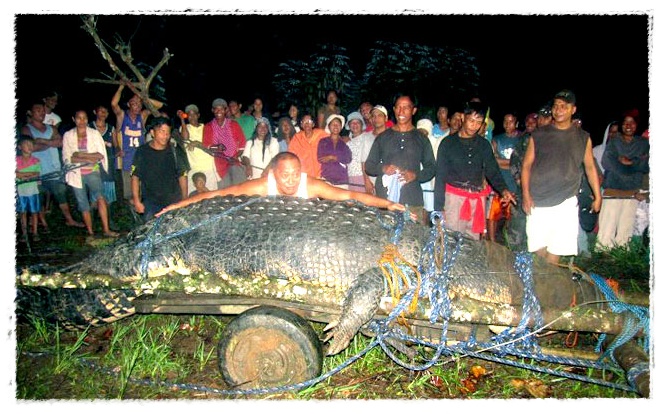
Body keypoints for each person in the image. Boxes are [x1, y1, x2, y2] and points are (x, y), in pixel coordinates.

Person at [156, 152, 409, 218]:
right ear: (273, 174)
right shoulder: (262, 185)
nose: (290, 180)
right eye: (285, 175)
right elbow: (221, 193)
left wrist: (387, 204)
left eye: (295, 174)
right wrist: (178, 205)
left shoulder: (309, 185)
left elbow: (350, 196)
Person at [521, 90, 601, 265]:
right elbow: (526, 165)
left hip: (566, 201)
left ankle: (548, 285)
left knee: (558, 247)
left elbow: (590, 167)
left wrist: (598, 195)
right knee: (537, 246)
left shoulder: (582, 137)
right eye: (556, 106)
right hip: (538, 199)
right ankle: (544, 279)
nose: (559, 110)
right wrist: (526, 195)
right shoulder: (540, 134)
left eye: (564, 106)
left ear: (573, 110)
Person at [434, 102, 516, 240]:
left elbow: (492, 170)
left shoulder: (484, 145)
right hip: (454, 200)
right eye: (471, 120)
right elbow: (440, 176)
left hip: (476, 200)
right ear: (462, 117)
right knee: (451, 240)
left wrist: (504, 190)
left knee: (472, 243)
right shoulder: (447, 143)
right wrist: (439, 207)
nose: (474, 125)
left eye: (478, 122)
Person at [364, 93, 436, 224]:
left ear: (413, 110)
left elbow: (431, 168)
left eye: (406, 107)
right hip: (385, 201)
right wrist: (383, 168)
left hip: (412, 201)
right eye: (398, 107)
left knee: (411, 242)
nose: (401, 111)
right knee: (385, 242)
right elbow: (369, 166)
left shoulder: (421, 139)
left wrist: (415, 175)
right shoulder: (383, 137)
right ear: (394, 109)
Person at [21, 102, 84, 230]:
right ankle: (39, 225)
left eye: (43, 110)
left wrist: (42, 141)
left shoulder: (52, 128)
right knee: (39, 198)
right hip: (36, 171)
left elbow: (60, 143)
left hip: (54, 169)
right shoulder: (26, 129)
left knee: (61, 193)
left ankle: (69, 220)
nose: (41, 112)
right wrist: (51, 143)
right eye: (38, 110)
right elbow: (31, 147)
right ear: (31, 113)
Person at [62, 110, 119, 238]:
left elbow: (100, 155)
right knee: (83, 203)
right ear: (74, 119)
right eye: (79, 118)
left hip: (93, 171)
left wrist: (80, 155)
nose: (82, 121)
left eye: (84, 118)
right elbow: (67, 158)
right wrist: (88, 157)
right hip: (75, 174)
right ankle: (90, 232)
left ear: (88, 119)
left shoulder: (94, 134)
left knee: (100, 197)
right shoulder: (68, 135)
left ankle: (106, 229)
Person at [596, 111, 649, 248]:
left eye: (632, 122)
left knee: (625, 232)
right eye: (625, 122)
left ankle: (621, 262)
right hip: (612, 191)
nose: (628, 125)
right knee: (606, 232)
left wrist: (628, 162)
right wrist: (631, 165)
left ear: (636, 125)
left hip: (632, 193)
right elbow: (606, 162)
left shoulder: (643, 144)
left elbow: (645, 165)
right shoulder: (614, 142)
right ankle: (603, 261)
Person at [111, 82, 164, 204]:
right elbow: (114, 104)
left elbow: (159, 105)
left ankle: (142, 213)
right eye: (134, 103)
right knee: (130, 193)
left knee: (143, 190)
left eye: (139, 103)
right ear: (129, 104)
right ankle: (135, 215)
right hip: (127, 159)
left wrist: (142, 96)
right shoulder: (122, 116)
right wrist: (121, 86)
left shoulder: (143, 116)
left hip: (141, 159)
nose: (137, 105)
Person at [131, 116, 189, 222]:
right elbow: (135, 176)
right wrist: (136, 200)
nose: (166, 136)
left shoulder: (175, 151)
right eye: (162, 132)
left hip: (173, 201)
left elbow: (182, 176)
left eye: (168, 132)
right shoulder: (142, 152)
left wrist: (185, 199)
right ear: (152, 133)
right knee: (151, 231)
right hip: (151, 202)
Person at [488, 112, 521, 243]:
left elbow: (520, 163)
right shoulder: (497, 139)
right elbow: (492, 160)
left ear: (516, 123)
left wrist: (502, 161)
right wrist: (511, 163)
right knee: (493, 215)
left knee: (511, 217)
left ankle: (508, 243)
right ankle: (491, 242)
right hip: (499, 183)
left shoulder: (521, 140)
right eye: (505, 121)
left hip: (514, 184)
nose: (508, 124)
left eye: (511, 121)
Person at [202, 98, 247, 189]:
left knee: (240, 190)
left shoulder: (233, 124)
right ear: (213, 110)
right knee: (225, 193)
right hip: (219, 165)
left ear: (226, 110)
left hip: (235, 162)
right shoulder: (208, 126)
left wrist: (235, 157)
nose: (219, 111)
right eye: (216, 109)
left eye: (221, 109)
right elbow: (207, 145)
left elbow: (242, 144)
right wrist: (216, 147)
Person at [177, 104, 218, 193]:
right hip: (194, 168)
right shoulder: (185, 128)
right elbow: (185, 138)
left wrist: (197, 143)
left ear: (198, 115)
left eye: (194, 114)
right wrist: (182, 120)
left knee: (211, 196)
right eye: (189, 115)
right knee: (193, 197)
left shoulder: (206, 127)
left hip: (209, 167)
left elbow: (212, 145)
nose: (192, 117)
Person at [90, 104, 118, 230]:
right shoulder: (89, 127)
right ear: (95, 112)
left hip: (108, 164)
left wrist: (118, 151)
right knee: (94, 194)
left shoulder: (111, 128)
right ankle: (92, 220)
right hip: (93, 164)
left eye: (106, 111)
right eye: (101, 111)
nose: (103, 113)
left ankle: (109, 219)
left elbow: (116, 145)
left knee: (109, 193)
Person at [358, 105, 390, 195]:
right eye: (374, 116)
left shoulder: (393, 135)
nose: (376, 119)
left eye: (379, 115)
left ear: (386, 118)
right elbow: (364, 161)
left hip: (389, 180)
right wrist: (367, 181)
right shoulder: (366, 137)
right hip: (372, 181)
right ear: (371, 119)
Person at [15, 136, 42, 243]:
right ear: (20, 147)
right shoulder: (16, 160)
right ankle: (24, 233)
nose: (29, 147)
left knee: (34, 212)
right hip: (21, 191)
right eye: (26, 144)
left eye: (31, 144)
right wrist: (27, 175)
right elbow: (16, 174)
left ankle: (35, 232)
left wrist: (22, 175)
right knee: (23, 212)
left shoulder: (36, 161)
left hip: (33, 190)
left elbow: (37, 174)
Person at [288, 112, 327, 179]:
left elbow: (334, 140)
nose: (307, 123)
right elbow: (291, 155)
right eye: (304, 121)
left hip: (321, 175)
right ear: (301, 124)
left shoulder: (321, 134)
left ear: (313, 124)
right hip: (304, 176)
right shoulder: (297, 138)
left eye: (309, 121)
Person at [318, 114, 352, 189]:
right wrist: (339, 158)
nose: (336, 126)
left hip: (342, 180)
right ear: (329, 126)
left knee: (342, 200)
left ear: (341, 127)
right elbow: (320, 158)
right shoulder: (323, 141)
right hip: (326, 179)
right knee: (326, 201)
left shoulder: (345, 142)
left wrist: (332, 157)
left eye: (338, 124)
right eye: (333, 124)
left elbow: (348, 158)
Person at [345, 111, 368, 192]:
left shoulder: (368, 138)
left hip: (365, 178)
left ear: (362, 125)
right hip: (350, 178)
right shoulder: (347, 143)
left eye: (357, 122)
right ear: (349, 126)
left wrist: (367, 180)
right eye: (352, 123)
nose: (355, 125)